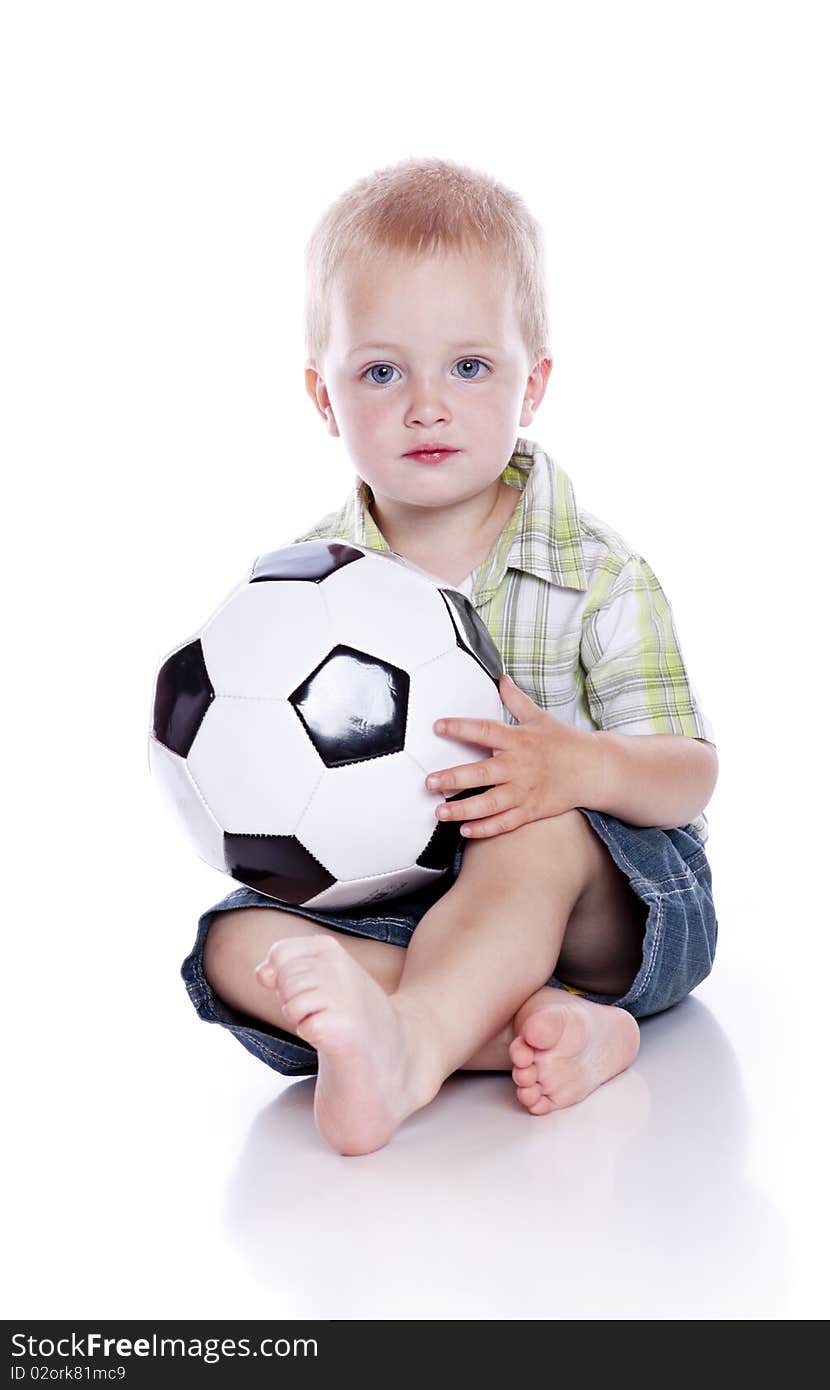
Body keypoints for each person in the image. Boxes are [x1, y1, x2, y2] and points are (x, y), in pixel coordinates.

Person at [180, 156, 720, 1156]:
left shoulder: (599, 573)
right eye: (381, 371)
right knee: (230, 946)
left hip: (609, 912)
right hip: (407, 908)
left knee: (531, 823)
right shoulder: (300, 593)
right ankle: (538, 1032)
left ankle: (415, 1040)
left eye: (468, 367)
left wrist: (579, 768)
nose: (426, 403)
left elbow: (690, 773)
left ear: (533, 383)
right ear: (323, 395)